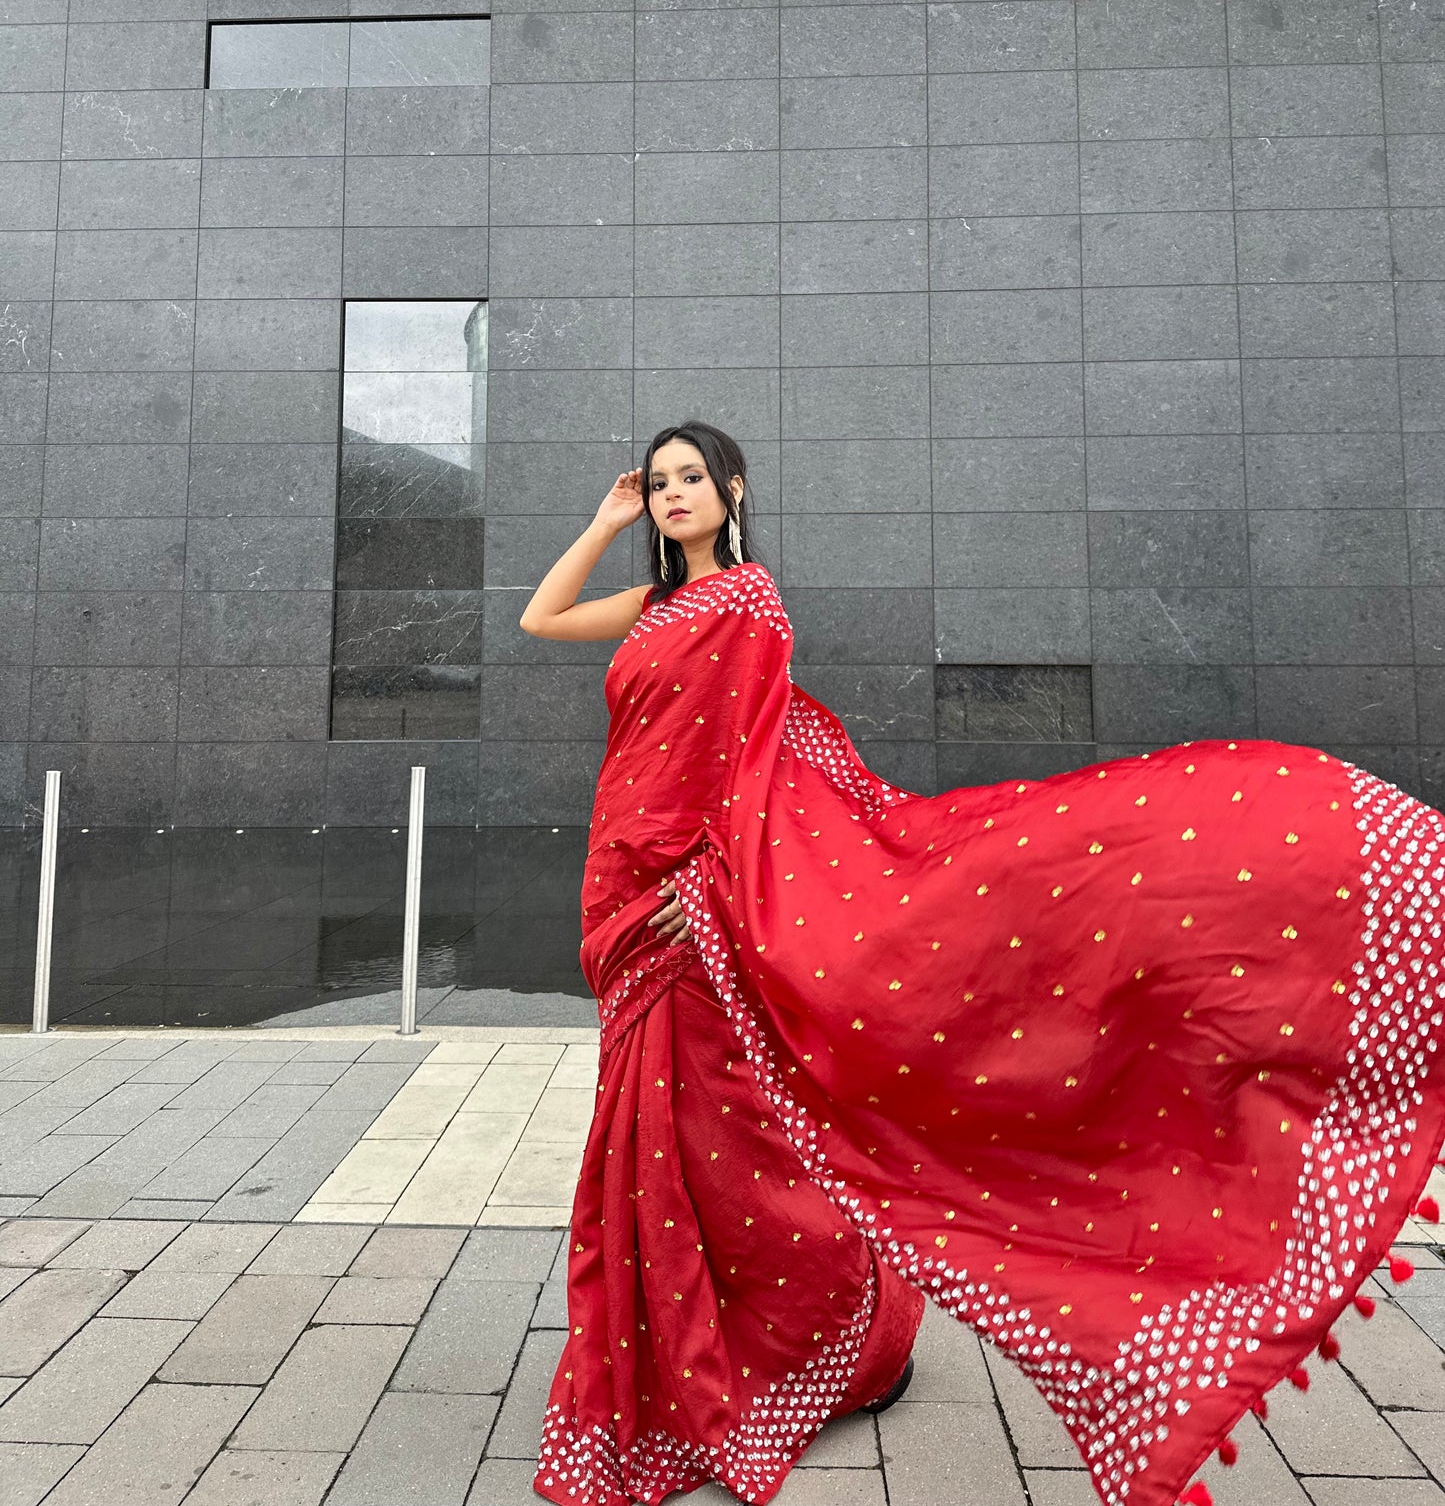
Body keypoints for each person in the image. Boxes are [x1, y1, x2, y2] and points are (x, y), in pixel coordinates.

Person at [521, 420, 1445, 1506]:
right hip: (622, 886)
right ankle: (720, 1351)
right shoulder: (660, 606)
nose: (674, 494)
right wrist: (602, 520)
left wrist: (704, 887)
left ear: (733, 488)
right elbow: (541, 617)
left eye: (691, 478)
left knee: (710, 1139)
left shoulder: (747, 606)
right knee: (663, 1136)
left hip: (686, 906)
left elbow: (744, 766)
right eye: (660, 482)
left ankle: (823, 1339)